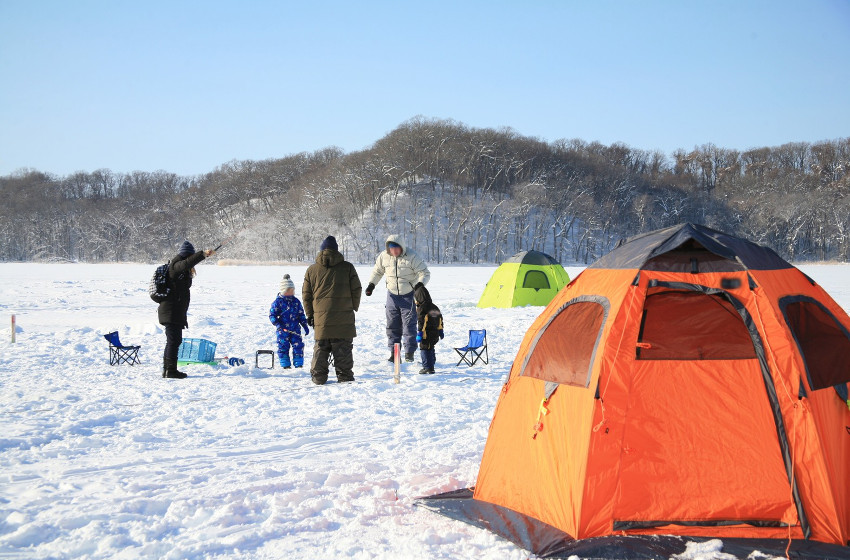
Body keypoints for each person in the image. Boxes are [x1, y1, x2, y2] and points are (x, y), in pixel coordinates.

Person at [303, 236, 362, 385]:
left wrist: (310, 315)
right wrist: (353, 307)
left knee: (321, 348)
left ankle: (318, 377)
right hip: (344, 317)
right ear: (336, 251)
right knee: (343, 348)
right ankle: (345, 376)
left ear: (322, 250)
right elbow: (357, 289)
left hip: (321, 318)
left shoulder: (312, 270)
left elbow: (306, 295)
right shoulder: (348, 267)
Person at [365, 234, 430, 363]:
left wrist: (419, 285)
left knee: (409, 325)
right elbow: (377, 272)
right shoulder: (384, 256)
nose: (393, 251)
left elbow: (425, 272)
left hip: (408, 295)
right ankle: (394, 353)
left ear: (401, 247)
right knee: (392, 324)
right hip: (392, 295)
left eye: (396, 248)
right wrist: (371, 285)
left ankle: (409, 352)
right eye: (391, 248)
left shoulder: (412, 256)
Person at [158, 240, 216, 379]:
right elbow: (187, 263)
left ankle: (169, 370)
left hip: (175, 311)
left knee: (174, 341)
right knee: (173, 341)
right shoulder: (176, 265)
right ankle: (169, 370)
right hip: (170, 311)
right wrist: (202, 254)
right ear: (186, 256)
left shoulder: (181, 270)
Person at [269, 274, 309, 369]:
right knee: (283, 347)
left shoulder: (296, 301)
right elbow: (272, 315)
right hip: (282, 330)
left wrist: (305, 325)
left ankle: (298, 364)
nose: (291, 293)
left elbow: (301, 315)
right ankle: (285, 365)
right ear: (283, 291)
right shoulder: (278, 302)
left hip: (295, 329)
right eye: (289, 291)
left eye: (292, 290)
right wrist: (278, 324)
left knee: (298, 346)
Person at [414, 284, 444, 374]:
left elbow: (422, 322)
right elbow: (440, 319)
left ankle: (428, 367)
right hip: (435, 332)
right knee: (431, 347)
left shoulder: (422, 308)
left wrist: (419, 333)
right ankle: (431, 364)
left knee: (424, 348)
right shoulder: (434, 306)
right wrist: (440, 330)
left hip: (426, 333)